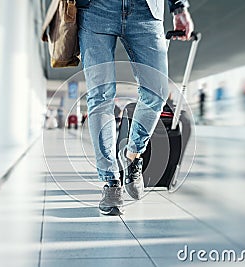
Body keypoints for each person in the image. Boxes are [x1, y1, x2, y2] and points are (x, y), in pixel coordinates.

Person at [77, 0, 194, 215]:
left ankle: (133, 155)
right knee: (100, 96)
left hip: (146, 10)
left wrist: (179, 7)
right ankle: (111, 183)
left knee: (156, 92)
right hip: (96, 9)